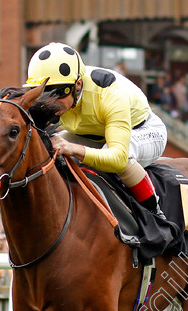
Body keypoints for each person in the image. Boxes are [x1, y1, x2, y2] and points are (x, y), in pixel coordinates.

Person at [24, 42, 168, 218]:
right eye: (43, 93)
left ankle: (157, 215)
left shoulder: (111, 94)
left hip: (142, 130)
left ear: (77, 85)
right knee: (48, 146)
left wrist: (73, 149)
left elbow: (118, 158)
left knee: (116, 156)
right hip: (94, 135)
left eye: (58, 93)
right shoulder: (58, 95)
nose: (49, 103)